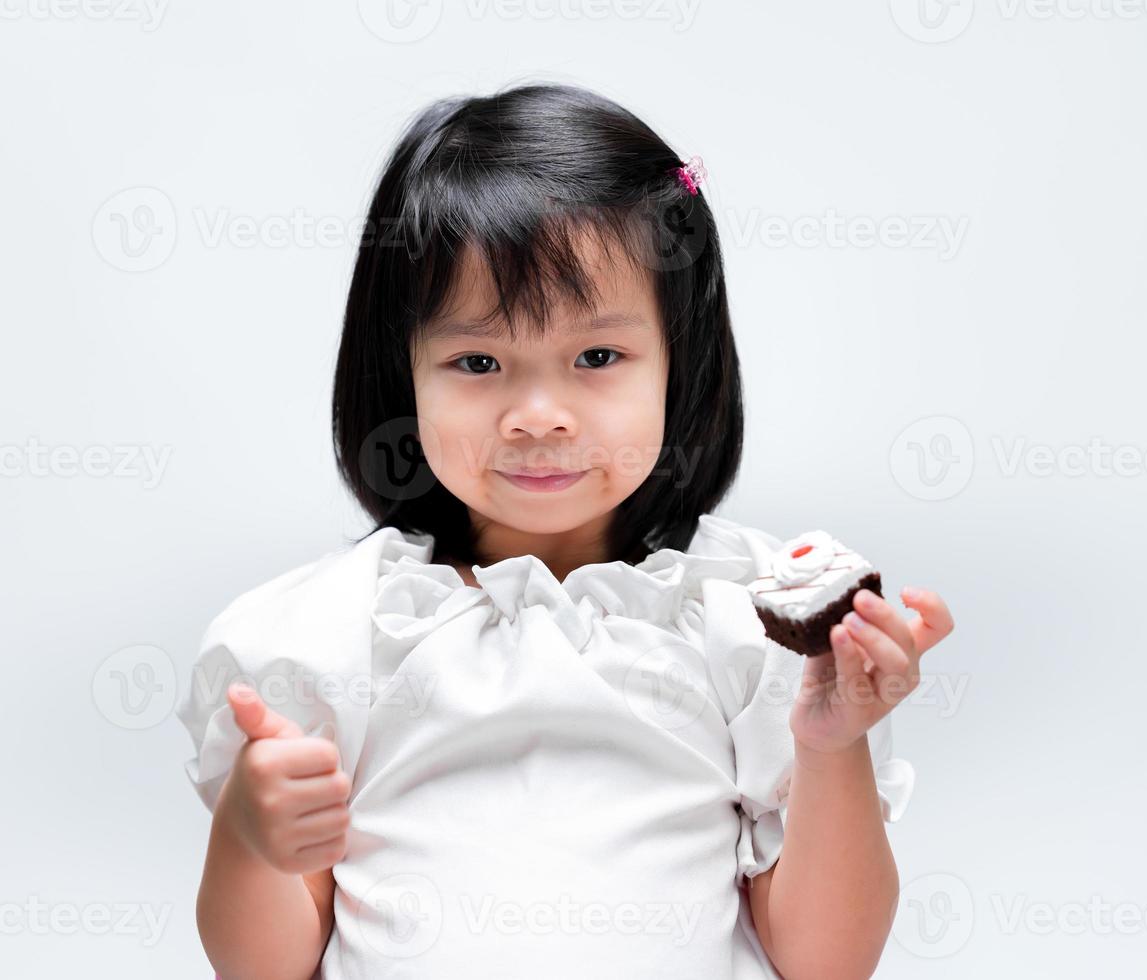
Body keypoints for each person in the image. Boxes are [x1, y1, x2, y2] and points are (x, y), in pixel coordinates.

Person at [175, 81, 954, 980]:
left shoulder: (736, 624)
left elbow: (825, 962)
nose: (538, 415)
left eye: (596, 358)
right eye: (478, 362)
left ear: (679, 364)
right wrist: (248, 837)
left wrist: (832, 747)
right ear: (403, 375)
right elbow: (264, 966)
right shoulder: (338, 635)